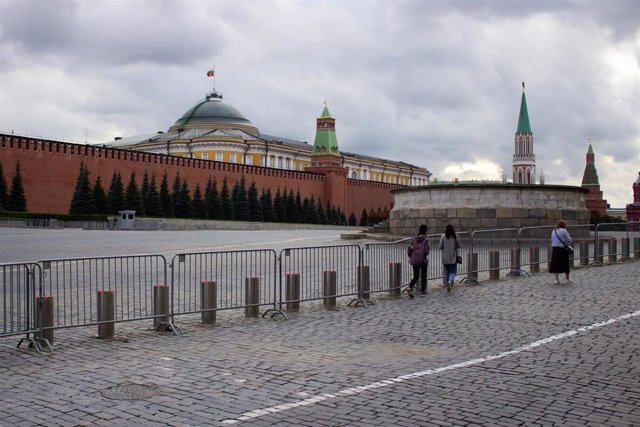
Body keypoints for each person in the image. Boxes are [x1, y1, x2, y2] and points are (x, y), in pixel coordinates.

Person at [405, 224, 430, 298]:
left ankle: (410, 287)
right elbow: (426, 251)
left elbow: (410, 248)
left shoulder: (414, 239)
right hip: (423, 260)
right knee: (424, 275)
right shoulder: (426, 239)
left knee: (416, 276)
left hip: (415, 259)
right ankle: (423, 290)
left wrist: (411, 256)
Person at [439, 224, 461, 292]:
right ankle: (449, 281)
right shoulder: (455, 236)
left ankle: (447, 283)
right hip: (453, 256)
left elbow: (440, 246)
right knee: (453, 272)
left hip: (445, 257)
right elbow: (459, 245)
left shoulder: (443, 236)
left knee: (447, 271)